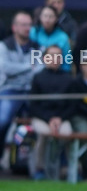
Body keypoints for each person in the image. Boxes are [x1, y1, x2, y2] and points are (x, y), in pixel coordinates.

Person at [27, 45, 75, 180]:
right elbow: (33, 105)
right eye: (51, 55)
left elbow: (72, 105)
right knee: (44, 133)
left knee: (67, 133)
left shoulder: (68, 78)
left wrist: (59, 118)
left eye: (58, 56)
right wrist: (49, 119)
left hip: (62, 118)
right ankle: (39, 168)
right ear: (44, 58)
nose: (55, 59)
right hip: (41, 117)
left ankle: (68, 168)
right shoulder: (37, 78)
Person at [0, 12, 42, 152]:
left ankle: (35, 165)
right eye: (24, 24)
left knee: (44, 120)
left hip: (31, 91)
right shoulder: (4, 46)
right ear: (14, 27)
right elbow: (5, 68)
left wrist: (19, 69)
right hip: (10, 90)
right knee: (3, 121)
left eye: (29, 24)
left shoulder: (37, 47)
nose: (27, 28)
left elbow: (40, 69)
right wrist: (29, 66)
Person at [31, 5, 72, 72]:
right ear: (40, 17)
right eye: (45, 16)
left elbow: (67, 61)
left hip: (56, 73)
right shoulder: (33, 32)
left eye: (51, 17)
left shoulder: (63, 37)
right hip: (34, 71)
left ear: (56, 19)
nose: (47, 20)